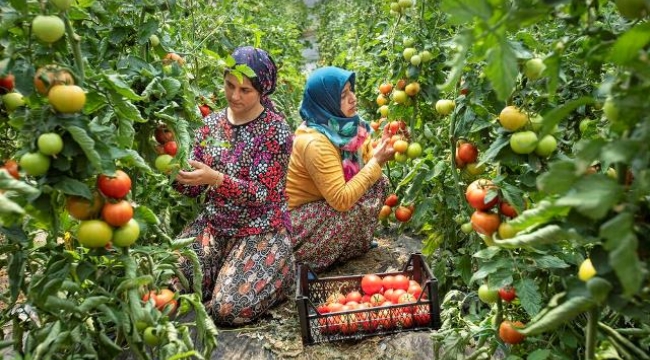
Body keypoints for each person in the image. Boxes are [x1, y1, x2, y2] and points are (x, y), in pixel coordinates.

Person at [172, 46, 295, 326]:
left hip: (260, 230)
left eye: (245, 90)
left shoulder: (275, 130)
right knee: (165, 283)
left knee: (228, 309)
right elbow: (193, 187)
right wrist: (176, 170)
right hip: (214, 227)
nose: (234, 96)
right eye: (229, 85)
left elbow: (262, 193)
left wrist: (216, 179)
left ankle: (281, 271)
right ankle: (221, 269)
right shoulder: (211, 125)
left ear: (262, 90)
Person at [286, 66, 395, 273]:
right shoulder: (315, 142)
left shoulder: (335, 127)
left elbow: (354, 170)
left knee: (376, 185)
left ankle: (344, 248)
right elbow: (341, 199)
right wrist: (376, 162)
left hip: (314, 208)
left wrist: (380, 149)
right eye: (343, 95)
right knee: (360, 199)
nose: (353, 98)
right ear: (325, 101)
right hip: (295, 226)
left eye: (351, 91)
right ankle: (305, 261)